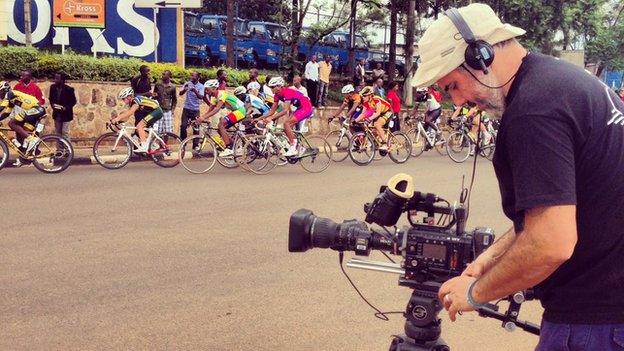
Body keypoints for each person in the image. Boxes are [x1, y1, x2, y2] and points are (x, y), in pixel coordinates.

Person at [413, 4, 624, 350]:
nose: (458, 101)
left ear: (479, 56)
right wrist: (489, 260)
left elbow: (550, 241)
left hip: (595, 323)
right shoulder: (560, 81)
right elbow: (552, 210)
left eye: (453, 85)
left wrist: (475, 293)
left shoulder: (534, 110)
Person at [262, 77, 314, 157]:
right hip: (299, 108)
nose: (271, 89)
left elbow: (285, 110)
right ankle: (300, 148)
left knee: (286, 124)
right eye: (270, 87)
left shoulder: (287, 92)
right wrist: (260, 118)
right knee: (286, 129)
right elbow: (272, 111)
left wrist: (271, 118)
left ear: (279, 86)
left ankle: (293, 147)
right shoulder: (276, 95)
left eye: (273, 87)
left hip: (306, 107)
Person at [195, 79, 247, 158]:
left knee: (221, 124)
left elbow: (217, 109)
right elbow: (210, 110)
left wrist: (203, 117)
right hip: (235, 111)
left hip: (240, 110)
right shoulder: (214, 98)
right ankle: (235, 147)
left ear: (213, 88)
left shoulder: (222, 94)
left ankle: (229, 148)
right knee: (220, 129)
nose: (205, 91)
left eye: (207, 89)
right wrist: (201, 118)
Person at [0, 81, 46, 164]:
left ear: (4, 90)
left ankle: (32, 140)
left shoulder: (10, 94)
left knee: (12, 123)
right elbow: (6, 113)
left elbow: (2, 107)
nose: (0, 95)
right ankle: (28, 153)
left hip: (35, 109)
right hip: (35, 110)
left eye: (0, 92)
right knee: (25, 131)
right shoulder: (11, 99)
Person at [111, 88, 162, 153]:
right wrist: (119, 121)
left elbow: (130, 112)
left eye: (124, 99)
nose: (123, 101)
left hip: (156, 111)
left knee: (139, 126)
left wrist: (117, 118)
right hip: (152, 112)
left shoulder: (136, 100)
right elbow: (127, 117)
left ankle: (144, 147)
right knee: (138, 131)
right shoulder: (132, 103)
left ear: (129, 97)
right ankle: (152, 143)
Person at [354, 86, 393, 151]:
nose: (363, 98)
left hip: (387, 111)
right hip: (378, 114)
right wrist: (355, 121)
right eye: (362, 96)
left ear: (370, 95)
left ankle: (384, 143)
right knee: (372, 129)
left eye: (364, 96)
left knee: (377, 124)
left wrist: (368, 119)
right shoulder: (366, 102)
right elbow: (363, 114)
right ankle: (378, 142)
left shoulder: (376, 99)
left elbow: (377, 113)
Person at [179, 72, 205, 148]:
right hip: (186, 109)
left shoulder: (201, 86)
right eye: (191, 75)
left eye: (193, 76)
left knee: (196, 127)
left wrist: (194, 91)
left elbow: (201, 97)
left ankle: (195, 145)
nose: (191, 77)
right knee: (183, 126)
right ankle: (183, 143)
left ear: (198, 78)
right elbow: (180, 93)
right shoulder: (187, 83)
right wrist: (184, 90)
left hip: (195, 110)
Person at [48, 73, 77, 141]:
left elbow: (73, 101)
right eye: (55, 78)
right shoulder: (52, 87)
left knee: (65, 132)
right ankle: (59, 150)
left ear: (62, 80)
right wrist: (53, 105)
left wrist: (66, 108)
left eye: (57, 78)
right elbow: (51, 98)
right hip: (57, 113)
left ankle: (67, 150)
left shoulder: (69, 89)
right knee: (58, 133)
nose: (55, 80)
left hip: (66, 114)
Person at [152, 70, 177, 135]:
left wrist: (172, 110)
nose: (162, 75)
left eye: (164, 74)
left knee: (167, 131)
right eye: (162, 74)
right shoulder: (158, 84)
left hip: (167, 111)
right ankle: (159, 144)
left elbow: (174, 99)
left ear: (169, 76)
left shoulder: (173, 87)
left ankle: (164, 144)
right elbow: (154, 96)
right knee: (157, 130)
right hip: (158, 110)